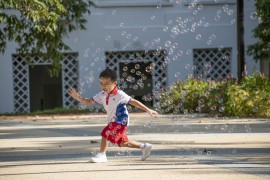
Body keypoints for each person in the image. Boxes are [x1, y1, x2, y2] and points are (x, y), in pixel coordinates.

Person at [69, 68, 158, 163]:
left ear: (114, 83)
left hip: (121, 119)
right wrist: (78, 97)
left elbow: (133, 102)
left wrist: (148, 109)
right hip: (113, 120)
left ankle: (102, 155)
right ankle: (144, 147)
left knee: (106, 131)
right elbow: (89, 102)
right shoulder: (101, 95)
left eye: (107, 84)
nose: (104, 86)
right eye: (102, 84)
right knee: (122, 142)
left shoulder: (120, 94)